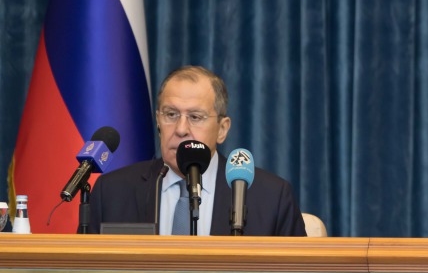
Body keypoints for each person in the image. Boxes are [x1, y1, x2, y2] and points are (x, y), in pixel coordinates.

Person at [80, 65, 305, 236]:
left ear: (222, 129)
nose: (180, 129)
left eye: (195, 117)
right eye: (171, 114)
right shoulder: (112, 192)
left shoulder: (270, 197)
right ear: (158, 120)